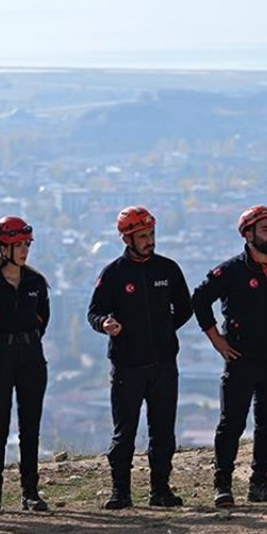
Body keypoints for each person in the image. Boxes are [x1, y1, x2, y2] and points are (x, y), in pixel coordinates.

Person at [192, 205, 267, 507]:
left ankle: (260, 484)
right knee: (231, 424)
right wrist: (217, 340)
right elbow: (200, 300)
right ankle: (223, 486)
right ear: (248, 234)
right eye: (266, 230)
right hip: (240, 360)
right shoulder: (231, 271)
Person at [87, 206, 193, 509]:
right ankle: (121, 492)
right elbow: (94, 312)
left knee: (163, 432)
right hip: (127, 366)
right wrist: (105, 324)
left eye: (152, 234)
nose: (150, 241)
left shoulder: (168, 269)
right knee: (125, 433)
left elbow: (184, 308)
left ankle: (161, 490)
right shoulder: (113, 274)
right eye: (143, 236)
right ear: (127, 239)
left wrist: (163, 330)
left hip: (163, 365)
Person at [0, 216, 51, 514]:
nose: (24, 250)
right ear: (3, 247)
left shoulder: (36, 282)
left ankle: (31, 492)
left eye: (26, 244)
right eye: (18, 245)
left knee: (30, 427)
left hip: (31, 356)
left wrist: (27, 343)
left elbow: (43, 318)